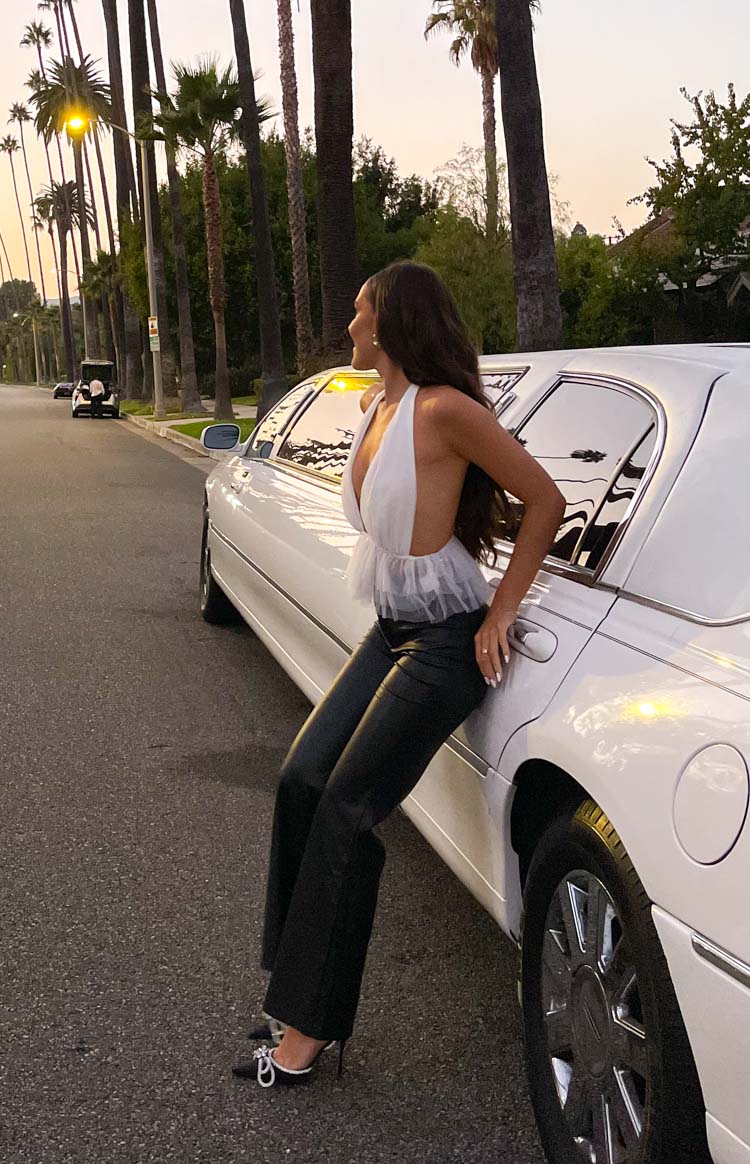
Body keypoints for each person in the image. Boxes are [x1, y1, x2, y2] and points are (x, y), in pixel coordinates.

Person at [233, 261, 566, 1088]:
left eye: (359, 313)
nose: (349, 327)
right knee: (302, 780)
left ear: (388, 322)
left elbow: (545, 500)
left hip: (446, 642)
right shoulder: (376, 405)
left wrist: (501, 612)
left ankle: (311, 1031)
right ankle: (295, 987)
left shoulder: (444, 410)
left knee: (347, 809)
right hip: (392, 631)